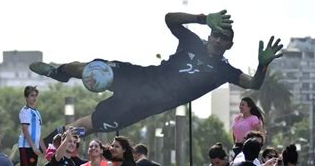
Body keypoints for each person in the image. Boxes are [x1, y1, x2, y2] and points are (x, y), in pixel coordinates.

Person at [31, 10, 283, 143]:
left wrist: (262, 66)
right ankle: (59, 72)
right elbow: (169, 20)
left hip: (143, 105)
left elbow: (253, 84)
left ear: (229, 45)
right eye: (215, 34)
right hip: (139, 78)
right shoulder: (192, 41)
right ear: (209, 35)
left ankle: (49, 141)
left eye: (224, 38)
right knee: (90, 68)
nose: (218, 40)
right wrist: (202, 18)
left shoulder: (225, 70)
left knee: (88, 124)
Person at [10, 86, 47, 166]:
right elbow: (25, 130)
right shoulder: (25, 111)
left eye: (35, 95)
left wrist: (44, 149)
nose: (34, 98)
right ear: (26, 97)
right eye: (31, 95)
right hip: (26, 146)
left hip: (33, 147)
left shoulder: (37, 112)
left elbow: (39, 133)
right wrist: (33, 147)